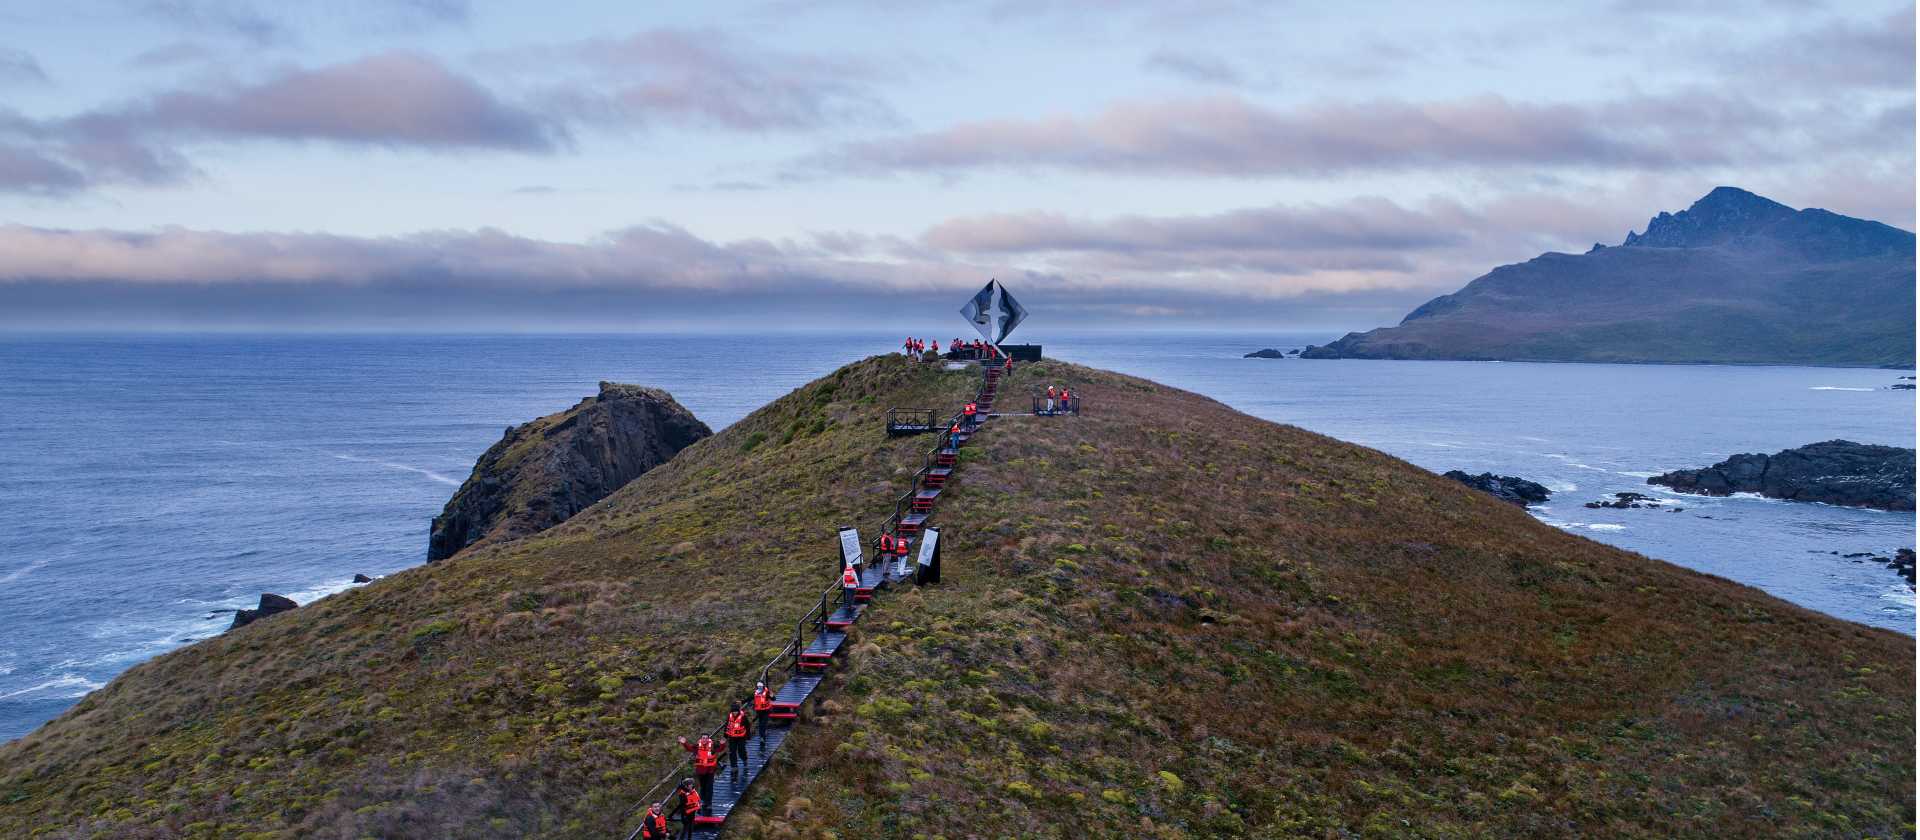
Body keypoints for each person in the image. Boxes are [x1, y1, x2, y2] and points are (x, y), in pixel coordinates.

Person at [678, 734, 719, 814]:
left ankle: (709, 803)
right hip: (700, 770)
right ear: (701, 739)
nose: (704, 739)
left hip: (710, 770)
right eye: (703, 738)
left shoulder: (713, 745)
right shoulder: (697, 745)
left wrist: (723, 744)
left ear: (708, 739)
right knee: (703, 786)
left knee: (709, 787)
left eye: (706, 738)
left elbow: (720, 749)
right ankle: (703, 801)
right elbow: (690, 749)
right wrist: (684, 743)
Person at [725, 703, 751, 778]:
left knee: (741, 750)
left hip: (741, 737)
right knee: (732, 752)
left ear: (738, 711)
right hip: (732, 737)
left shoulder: (743, 717)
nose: (735, 712)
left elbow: (747, 726)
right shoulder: (729, 716)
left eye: (736, 711)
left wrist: (748, 736)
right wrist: (725, 736)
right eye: (733, 711)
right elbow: (727, 726)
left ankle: (745, 760)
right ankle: (734, 767)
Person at [752, 681, 773, 746]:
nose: (759, 687)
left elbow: (774, 698)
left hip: (766, 711)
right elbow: (750, 697)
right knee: (761, 725)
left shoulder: (766, 692)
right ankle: (762, 736)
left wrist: (772, 696)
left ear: (763, 686)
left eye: (760, 686)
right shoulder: (756, 692)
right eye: (758, 686)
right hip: (759, 711)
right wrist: (742, 701)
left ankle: (762, 738)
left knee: (762, 725)